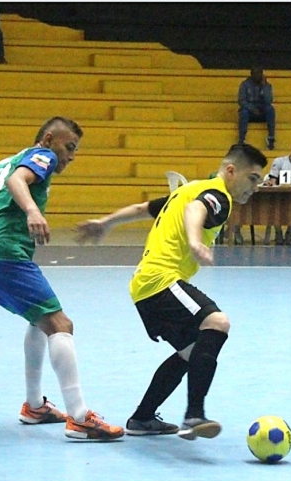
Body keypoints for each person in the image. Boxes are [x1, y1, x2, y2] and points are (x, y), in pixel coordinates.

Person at [75, 143, 268, 440]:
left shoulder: (187, 190)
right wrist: (194, 241)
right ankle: (194, 415)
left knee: (192, 351)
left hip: (144, 286)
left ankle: (142, 418)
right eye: (252, 178)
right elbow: (196, 210)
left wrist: (106, 222)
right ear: (231, 171)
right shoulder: (218, 196)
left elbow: (143, 209)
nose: (255, 187)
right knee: (217, 323)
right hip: (161, 280)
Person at [0, 117, 124, 441]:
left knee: (38, 320)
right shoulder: (42, 157)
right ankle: (79, 418)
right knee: (61, 325)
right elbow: (18, 183)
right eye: (69, 147)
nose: (71, 156)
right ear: (49, 139)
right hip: (3, 251)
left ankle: (35, 406)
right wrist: (32, 212)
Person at [238, 68, 276, 150]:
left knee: (270, 109)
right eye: (255, 74)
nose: (257, 76)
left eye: (259, 74)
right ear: (251, 75)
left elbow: (269, 100)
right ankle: (241, 139)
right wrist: (252, 108)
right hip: (250, 112)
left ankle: (271, 138)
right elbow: (241, 101)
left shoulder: (267, 85)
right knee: (243, 112)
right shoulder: (244, 85)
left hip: (262, 111)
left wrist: (265, 86)